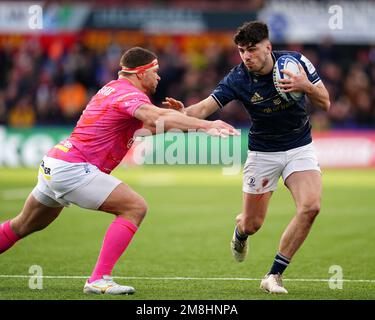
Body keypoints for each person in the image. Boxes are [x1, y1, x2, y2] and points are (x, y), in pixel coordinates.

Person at [0, 47, 238, 295]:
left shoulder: (113, 89)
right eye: (155, 72)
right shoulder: (128, 94)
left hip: (56, 163)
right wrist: (207, 124)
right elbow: (154, 115)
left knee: (22, 226)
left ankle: (99, 278)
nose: (159, 77)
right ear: (140, 73)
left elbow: (149, 126)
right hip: (73, 168)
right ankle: (98, 279)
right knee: (135, 207)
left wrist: (178, 117)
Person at [163, 21, 330, 294]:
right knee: (253, 224)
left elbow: (325, 102)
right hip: (262, 152)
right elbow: (205, 107)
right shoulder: (238, 78)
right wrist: (180, 113)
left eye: (251, 50)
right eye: (241, 51)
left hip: (299, 146)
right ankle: (240, 232)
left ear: (268, 47)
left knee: (311, 207)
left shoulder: (296, 62)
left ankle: (274, 275)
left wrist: (305, 85)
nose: (246, 56)